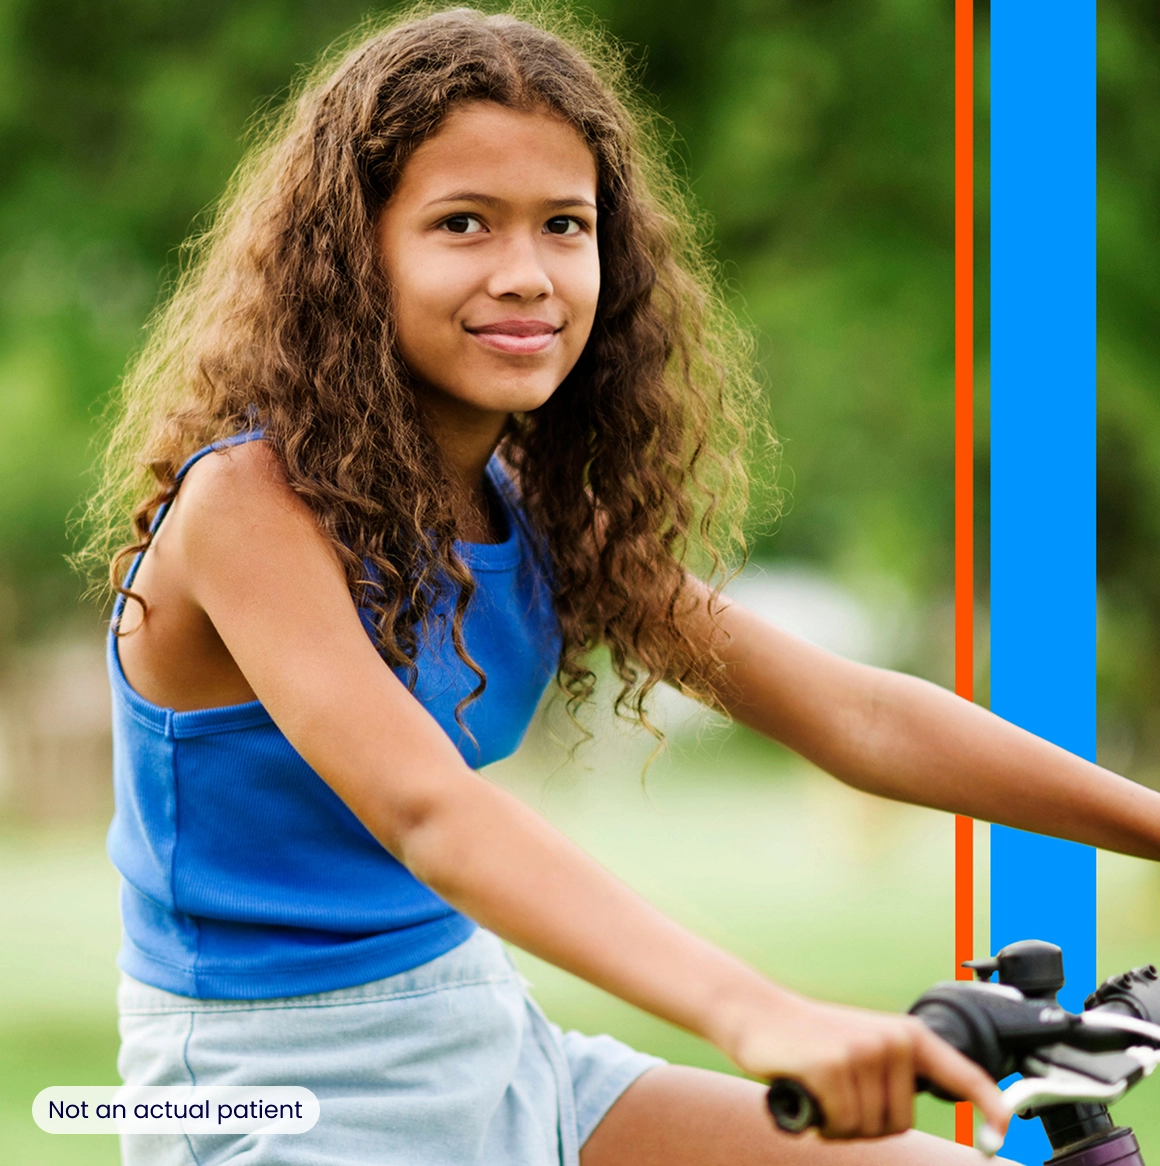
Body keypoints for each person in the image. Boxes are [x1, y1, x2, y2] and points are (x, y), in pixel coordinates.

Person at [81, 7, 1160, 1165]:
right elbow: (427, 810)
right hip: (276, 1093)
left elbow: (850, 711)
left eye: (563, 225)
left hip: (490, 1040)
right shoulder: (248, 504)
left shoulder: (532, 503)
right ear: (353, 255)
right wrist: (762, 1012)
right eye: (461, 224)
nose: (526, 274)